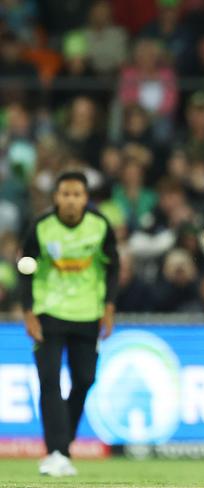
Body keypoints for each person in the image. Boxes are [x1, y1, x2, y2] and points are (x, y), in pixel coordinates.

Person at [20, 171, 119, 476]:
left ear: (86, 198)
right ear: (56, 197)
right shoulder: (41, 226)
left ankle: (63, 446)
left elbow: (113, 265)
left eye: (77, 194)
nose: (71, 200)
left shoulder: (100, 225)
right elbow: (25, 267)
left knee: (85, 380)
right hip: (48, 312)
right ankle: (56, 452)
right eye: (65, 194)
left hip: (88, 314)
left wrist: (109, 307)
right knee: (49, 381)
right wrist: (28, 311)